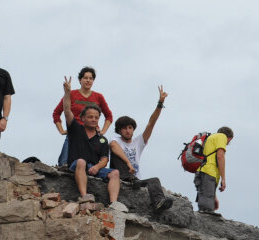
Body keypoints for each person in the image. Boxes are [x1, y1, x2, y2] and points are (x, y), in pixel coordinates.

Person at [109, 86, 173, 214]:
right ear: (119, 130)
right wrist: (128, 163)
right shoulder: (115, 140)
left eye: (130, 127)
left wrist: (160, 103)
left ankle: (159, 203)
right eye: (124, 128)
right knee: (118, 155)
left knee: (154, 180)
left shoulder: (139, 141)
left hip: (135, 180)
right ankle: (130, 178)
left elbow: (151, 122)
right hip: (121, 176)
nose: (127, 131)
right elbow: (113, 147)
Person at [61, 76, 121, 208]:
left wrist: (97, 167)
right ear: (82, 118)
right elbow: (66, 111)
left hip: (94, 167)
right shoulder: (76, 129)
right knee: (81, 162)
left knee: (115, 173)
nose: (94, 120)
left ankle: (113, 204)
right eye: (90, 117)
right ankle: (85, 197)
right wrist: (67, 93)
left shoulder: (102, 139)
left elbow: (105, 159)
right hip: (77, 165)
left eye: (96, 117)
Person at [53, 66, 113, 166]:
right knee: (64, 163)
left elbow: (109, 116)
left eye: (91, 78)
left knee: (90, 164)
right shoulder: (71, 94)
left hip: (92, 134)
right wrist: (61, 130)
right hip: (75, 131)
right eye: (85, 78)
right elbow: (56, 113)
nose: (88, 80)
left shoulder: (98, 96)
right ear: (80, 80)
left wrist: (102, 131)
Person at [194, 127, 233, 215]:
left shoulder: (210, 139)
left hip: (201, 172)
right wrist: (223, 179)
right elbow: (220, 156)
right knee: (207, 211)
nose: (227, 144)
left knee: (204, 206)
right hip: (208, 172)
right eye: (229, 142)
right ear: (229, 138)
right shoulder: (222, 136)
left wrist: (213, 196)